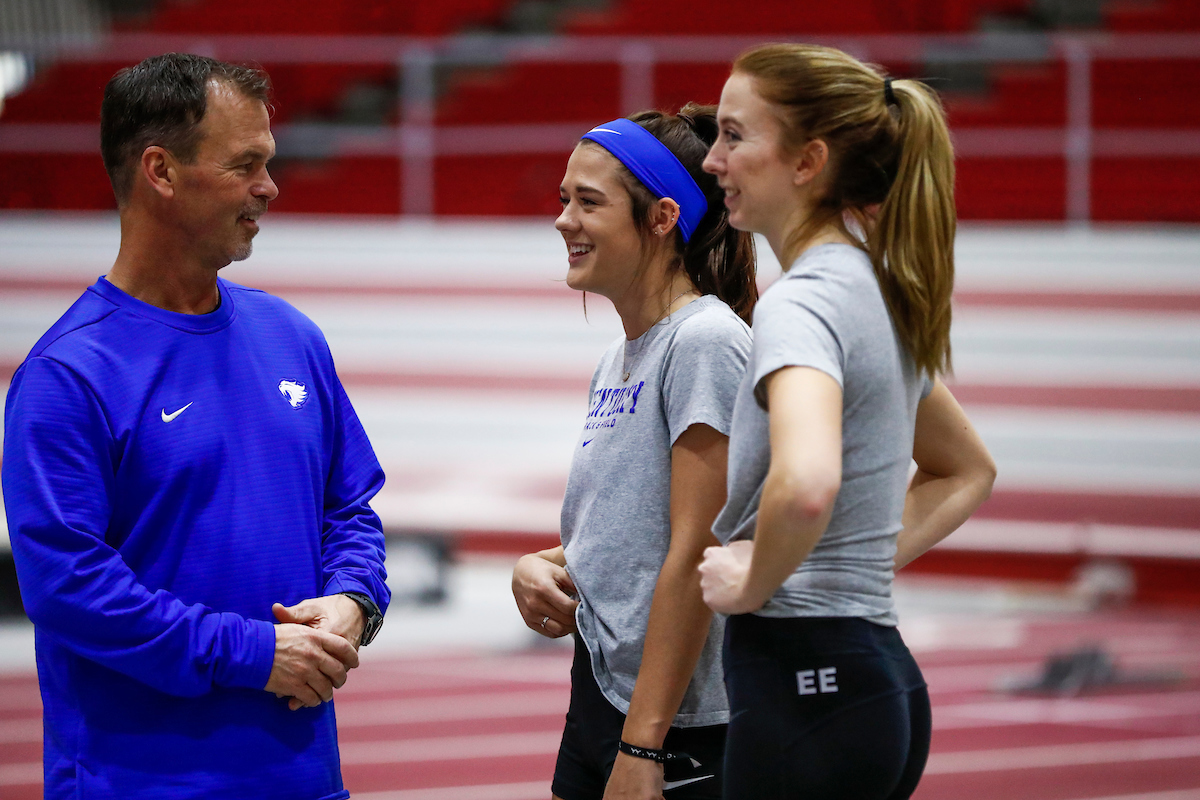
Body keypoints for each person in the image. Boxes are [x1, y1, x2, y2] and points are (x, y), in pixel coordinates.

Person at [1, 53, 388, 800]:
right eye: (245, 164)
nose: (269, 187)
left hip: (304, 777)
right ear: (160, 170)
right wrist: (251, 654)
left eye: (268, 163)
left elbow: (349, 509)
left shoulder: (291, 336)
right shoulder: (69, 374)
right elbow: (67, 586)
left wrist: (353, 601)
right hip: (137, 782)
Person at [697, 44, 997, 800]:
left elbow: (805, 484)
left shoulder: (801, 306)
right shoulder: (874, 288)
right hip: (876, 678)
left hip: (806, 684)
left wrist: (754, 577)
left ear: (808, 162)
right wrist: (850, 565)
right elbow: (967, 469)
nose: (713, 161)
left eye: (735, 136)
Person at [511, 105, 757, 800]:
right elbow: (633, 523)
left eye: (589, 202)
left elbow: (694, 552)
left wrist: (641, 744)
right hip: (602, 695)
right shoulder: (619, 359)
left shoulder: (704, 344)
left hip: (677, 724)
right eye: (564, 199)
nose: (564, 220)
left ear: (660, 218)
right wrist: (540, 564)